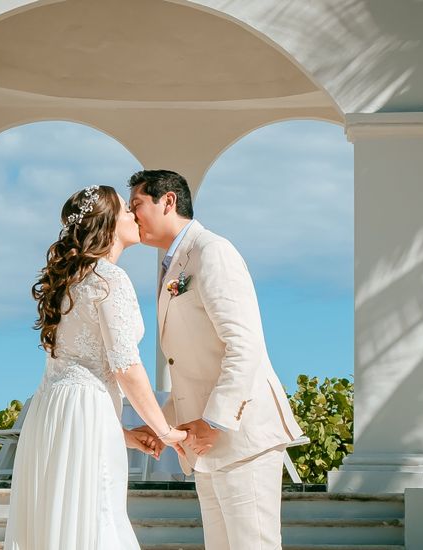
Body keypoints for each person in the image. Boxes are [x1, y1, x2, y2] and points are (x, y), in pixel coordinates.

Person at [3, 184, 186, 550]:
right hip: (84, 410)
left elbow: (71, 375)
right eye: (125, 210)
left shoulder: (69, 281)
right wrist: (163, 429)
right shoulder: (110, 279)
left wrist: (125, 433)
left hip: (51, 413)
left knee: (63, 521)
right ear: (107, 224)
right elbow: (125, 366)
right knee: (98, 516)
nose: (135, 215)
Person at [128, 170, 304, 550]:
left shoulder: (212, 251)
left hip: (240, 437)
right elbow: (188, 361)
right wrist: (167, 428)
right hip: (204, 443)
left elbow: (245, 344)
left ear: (168, 201)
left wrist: (215, 421)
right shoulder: (172, 264)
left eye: (137, 204)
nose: (131, 215)